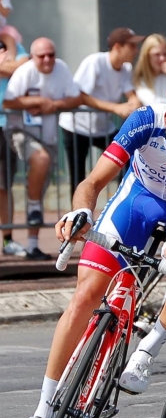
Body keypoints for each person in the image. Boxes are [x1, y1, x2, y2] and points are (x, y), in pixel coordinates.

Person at [9, 70, 166, 418]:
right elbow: (93, 183)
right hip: (138, 201)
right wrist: (81, 210)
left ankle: (146, 351)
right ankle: (42, 416)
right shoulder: (144, 122)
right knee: (85, 295)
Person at [3, 38, 82, 260]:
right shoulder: (25, 71)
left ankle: (32, 245)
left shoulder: (62, 69)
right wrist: (34, 101)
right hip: (21, 132)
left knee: (41, 183)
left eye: (51, 54)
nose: (47, 60)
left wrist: (53, 105)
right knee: (41, 159)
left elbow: (76, 98)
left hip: (48, 135)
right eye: (41, 56)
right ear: (32, 56)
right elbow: (9, 102)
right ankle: (33, 207)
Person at [58, 27, 144, 197]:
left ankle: (121, 201)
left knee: (128, 156)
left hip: (103, 128)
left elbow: (131, 94)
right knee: (78, 176)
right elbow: (80, 96)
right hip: (76, 127)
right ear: (118, 47)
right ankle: (77, 218)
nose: (136, 50)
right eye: (132, 46)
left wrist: (134, 103)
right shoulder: (95, 62)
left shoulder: (126, 68)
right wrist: (116, 108)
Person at [0, 25, 30, 256]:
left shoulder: (14, 44)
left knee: (3, 185)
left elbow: (22, 67)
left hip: (5, 124)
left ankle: (8, 239)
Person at [133, 34, 166, 106]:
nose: (162, 59)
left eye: (165, 54)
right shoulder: (137, 80)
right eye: (157, 54)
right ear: (147, 56)